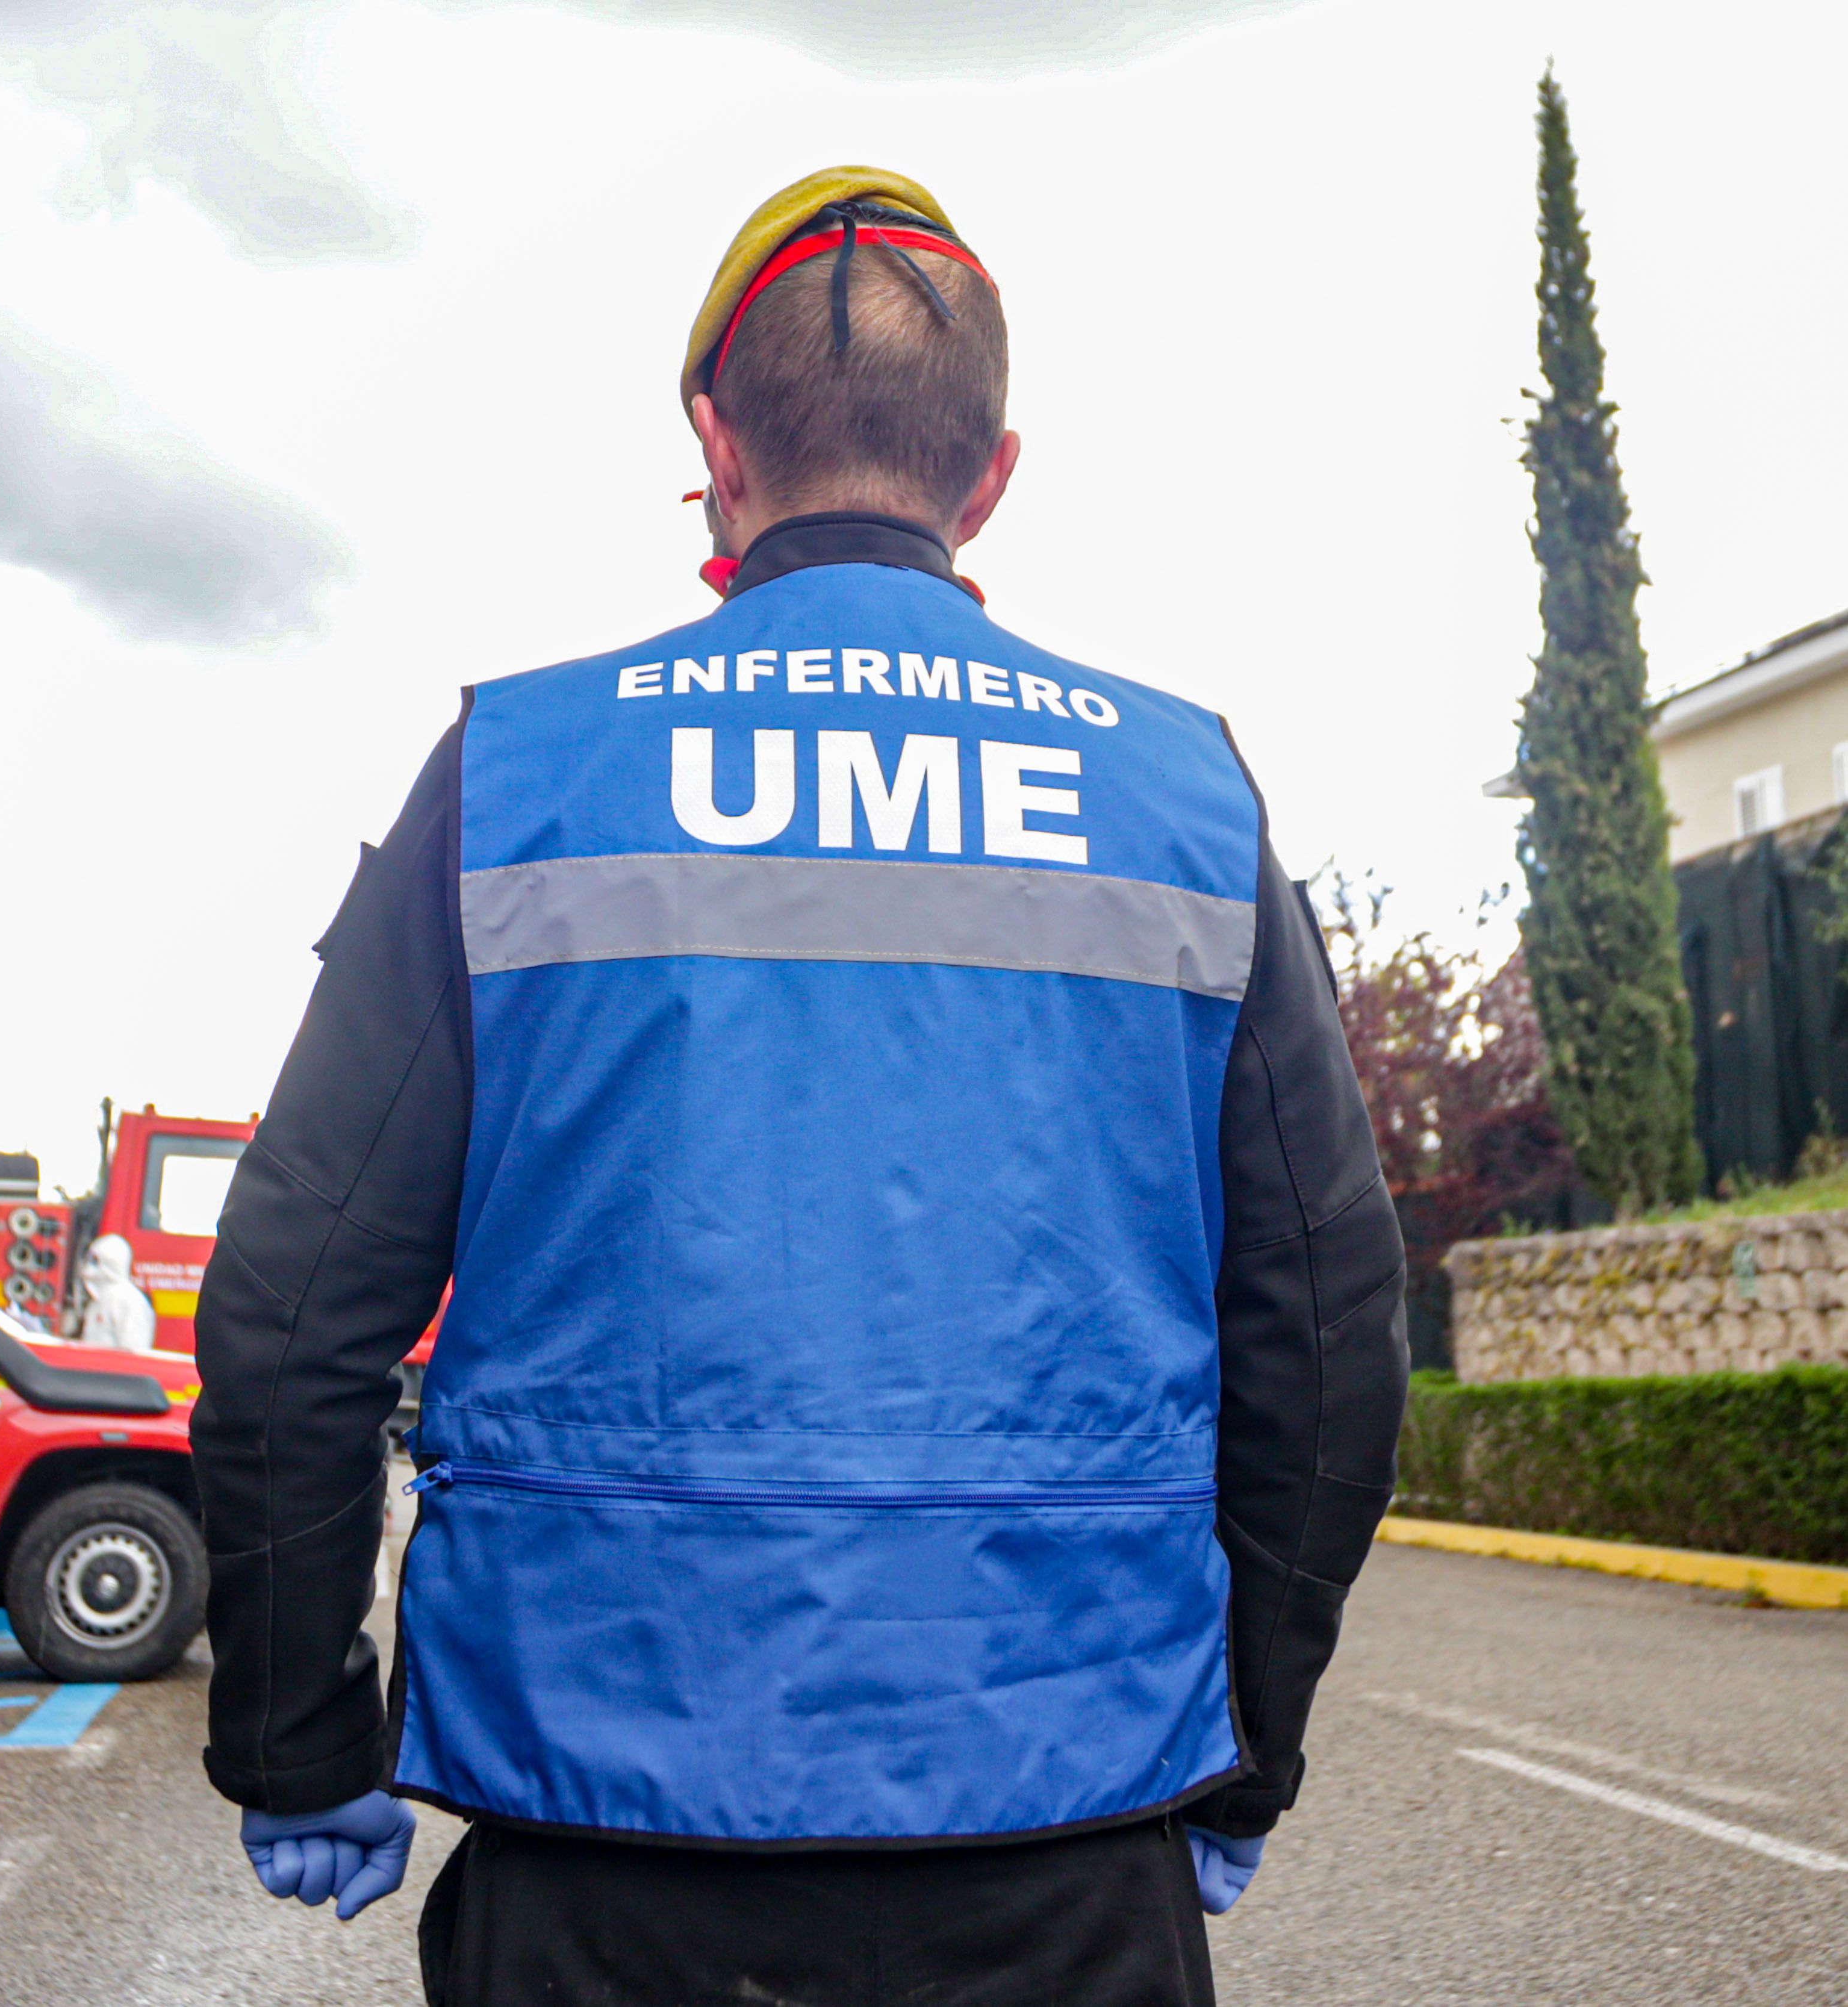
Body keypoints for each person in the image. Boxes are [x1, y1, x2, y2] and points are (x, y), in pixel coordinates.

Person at [190, 167, 1408, 2004]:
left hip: (601, 1852)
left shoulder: (515, 776)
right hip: (1066, 1847)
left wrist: (298, 1738)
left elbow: (295, 1304)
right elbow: (1327, 1328)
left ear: (714, 444)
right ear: (989, 472)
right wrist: (1247, 1746)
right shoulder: (1184, 800)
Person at [77, 1232, 158, 1351]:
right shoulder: (98, 1301)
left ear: (111, 1263)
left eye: (95, 1261)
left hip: (111, 1369)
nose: (90, 1267)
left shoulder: (129, 1301)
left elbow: (135, 1351)